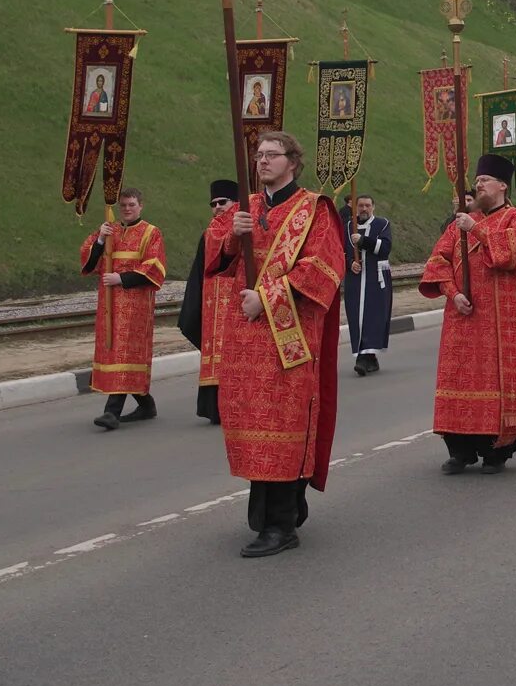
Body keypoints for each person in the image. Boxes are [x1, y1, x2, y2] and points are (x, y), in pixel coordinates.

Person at [209, 131, 343, 556]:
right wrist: (233, 235)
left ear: (292, 161)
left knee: (283, 426)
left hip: (289, 336)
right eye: (259, 155)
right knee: (253, 429)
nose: (263, 161)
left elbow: (323, 268)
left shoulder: (314, 209)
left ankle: (281, 525)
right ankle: (275, 513)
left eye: (272, 155)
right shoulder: (244, 208)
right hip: (246, 340)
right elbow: (214, 259)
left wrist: (266, 298)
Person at [420, 153, 516, 475]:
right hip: (462, 319)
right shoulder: (460, 224)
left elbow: (512, 254)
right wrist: (453, 294)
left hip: (501, 323)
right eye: (477, 181)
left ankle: (496, 452)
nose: (478, 185)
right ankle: (461, 451)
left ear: (502, 185)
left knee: (498, 384)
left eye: (484, 181)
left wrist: (478, 230)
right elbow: (436, 261)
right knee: (458, 381)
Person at [82, 187, 167, 430]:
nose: (127, 209)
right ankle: (146, 404)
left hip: (135, 305)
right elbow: (88, 260)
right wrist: (100, 239)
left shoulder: (151, 233)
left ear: (141, 205)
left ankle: (112, 412)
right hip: (109, 304)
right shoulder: (110, 231)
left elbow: (154, 267)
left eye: (132, 204)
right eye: (124, 206)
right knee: (114, 353)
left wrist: (121, 279)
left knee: (126, 354)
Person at [177, 180, 239, 424]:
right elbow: (199, 271)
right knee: (214, 354)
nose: (217, 207)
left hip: (235, 299)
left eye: (222, 202)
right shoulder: (209, 232)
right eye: (213, 204)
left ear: (235, 202)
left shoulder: (244, 225)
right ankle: (214, 408)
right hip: (212, 303)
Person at [345, 194, 394, 375]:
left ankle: (364, 358)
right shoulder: (349, 226)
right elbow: (342, 250)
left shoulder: (382, 224)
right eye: (360, 206)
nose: (364, 209)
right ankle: (368, 357)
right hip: (356, 280)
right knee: (357, 316)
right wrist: (350, 262)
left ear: (373, 207)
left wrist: (364, 241)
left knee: (373, 316)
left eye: (367, 206)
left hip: (376, 278)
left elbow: (385, 248)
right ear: (355, 208)